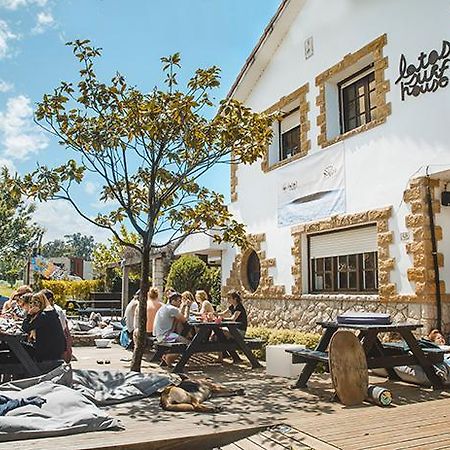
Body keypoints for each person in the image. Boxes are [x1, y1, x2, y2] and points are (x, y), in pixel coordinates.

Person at [19, 292, 66, 362]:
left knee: (19, 348)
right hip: (54, 348)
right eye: (31, 302)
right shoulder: (50, 312)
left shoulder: (44, 316)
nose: (32, 305)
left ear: (41, 303)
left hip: (48, 350)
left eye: (35, 303)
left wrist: (29, 314)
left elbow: (24, 328)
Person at [153, 291, 189, 367]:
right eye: (179, 301)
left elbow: (179, 317)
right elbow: (184, 320)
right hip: (165, 336)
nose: (180, 303)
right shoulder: (172, 309)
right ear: (173, 301)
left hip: (159, 335)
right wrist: (187, 306)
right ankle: (168, 357)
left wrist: (183, 307)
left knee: (182, 339)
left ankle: (167, 358)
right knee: (188, 344)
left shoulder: (165, 307)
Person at [41, 288, 73, 363]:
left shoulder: (57, 311)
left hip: (56, 343)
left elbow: (62, 327)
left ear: (50, 300)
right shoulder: (44, 310)